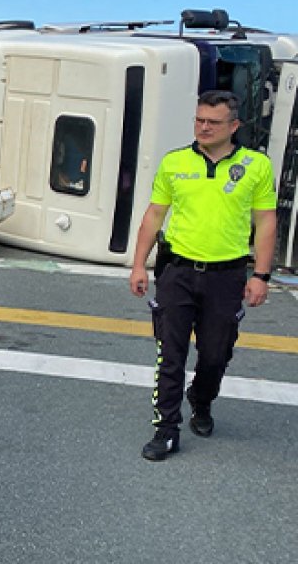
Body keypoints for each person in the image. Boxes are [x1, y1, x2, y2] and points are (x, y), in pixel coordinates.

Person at [128, 90, 277, 461]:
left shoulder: (256, 166)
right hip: (177, 271)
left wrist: (260, 274)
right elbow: (154, 215)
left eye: (213, 122)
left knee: (215, 354)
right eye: (199, 120)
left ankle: (202, 397)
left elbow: (265, 221)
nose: (204, 127)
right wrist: (138, 264)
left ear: (234, 125)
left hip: (226, 276)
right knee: (171, 354)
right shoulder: (175, 162)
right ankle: (166, 429)